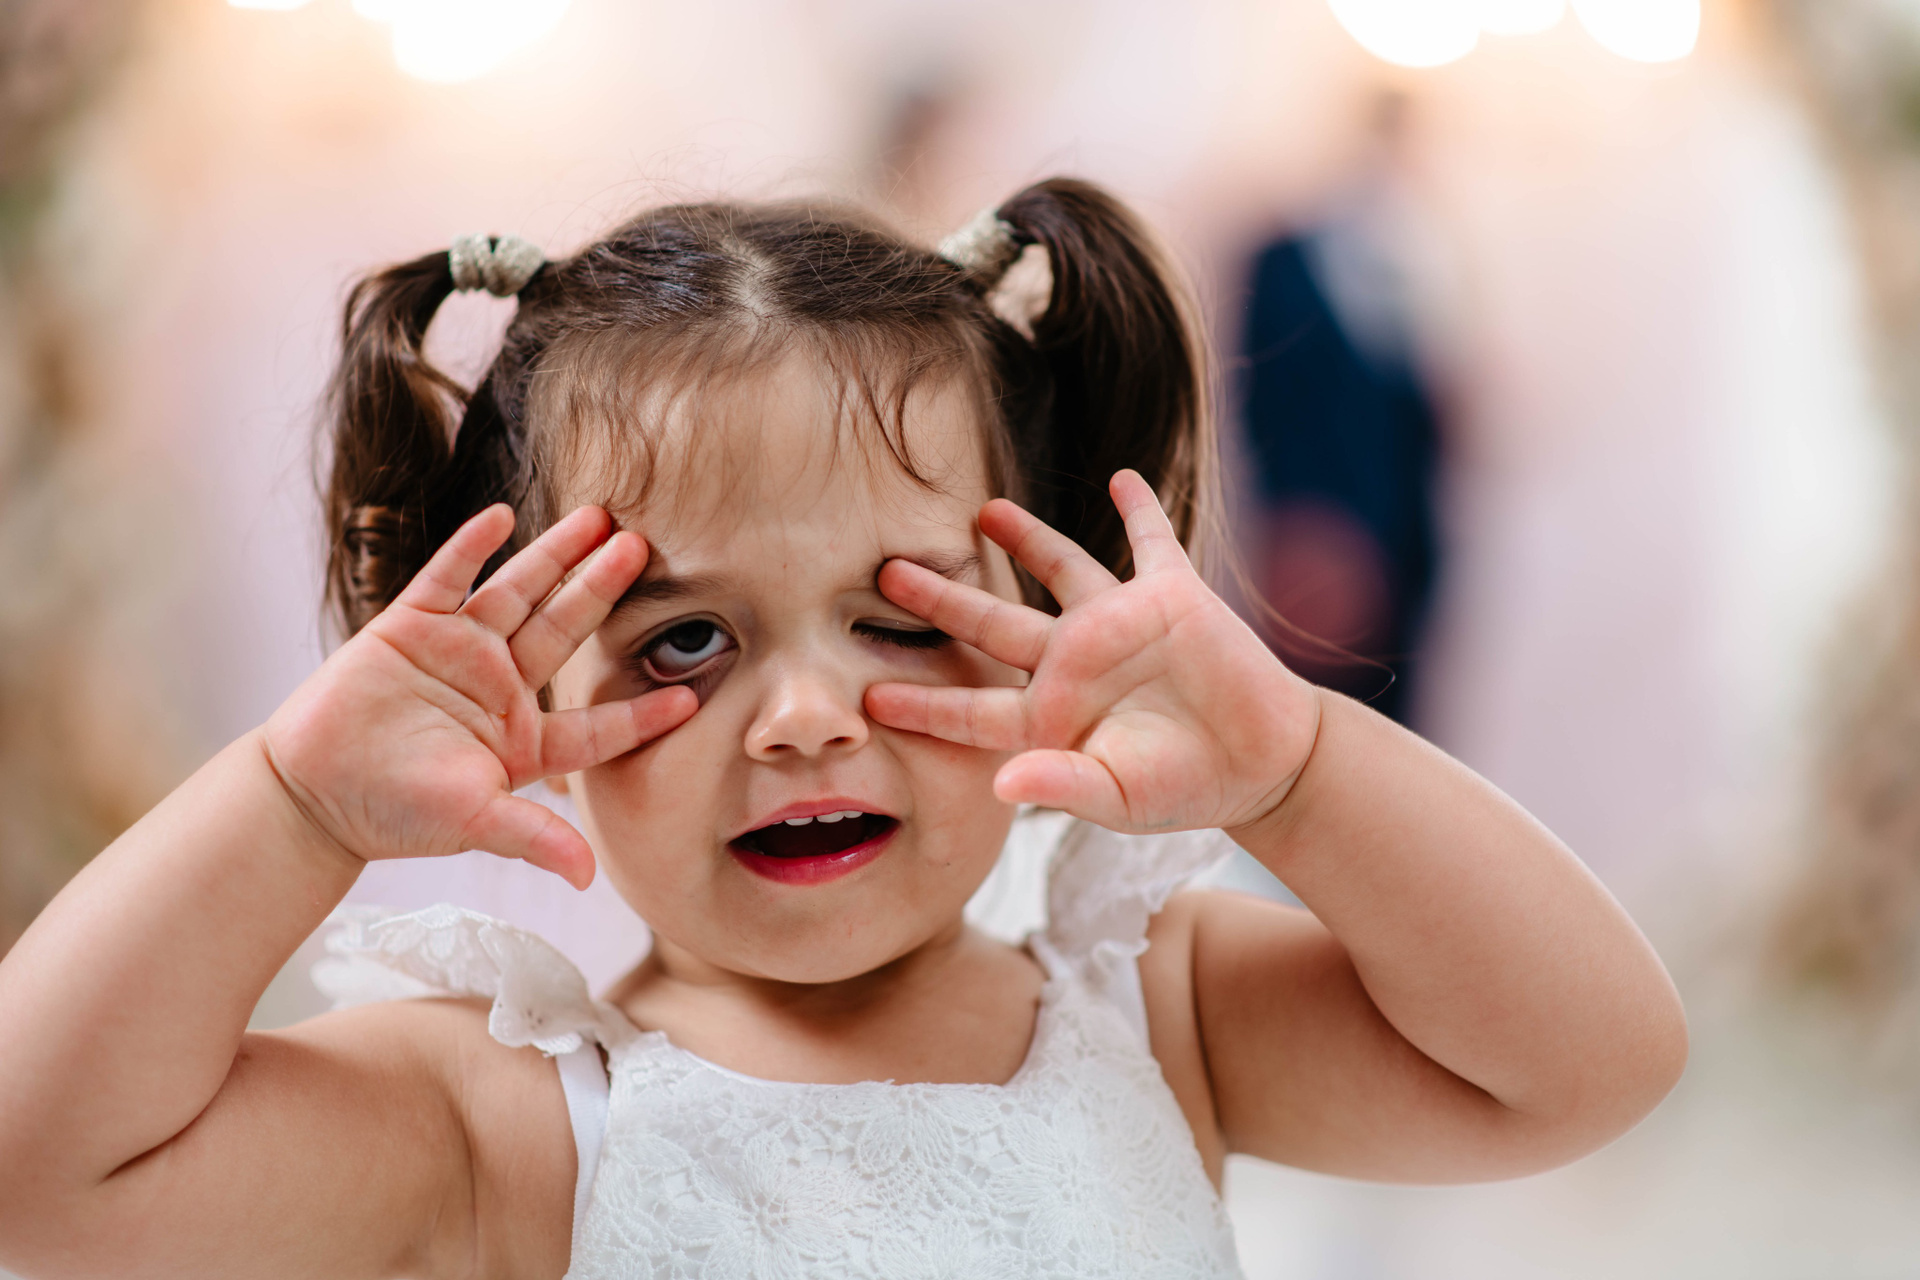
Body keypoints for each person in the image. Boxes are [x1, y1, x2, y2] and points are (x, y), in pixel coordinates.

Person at [0, 179, 1686, 1279]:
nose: (803, 720)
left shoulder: (1160, 1012)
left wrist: (1301, 769)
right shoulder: (499, 1119)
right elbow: (37, 1176)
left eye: (900, 613)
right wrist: (294, 805)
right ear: (526, 687)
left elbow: (1588, 1067)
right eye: (683, 641)